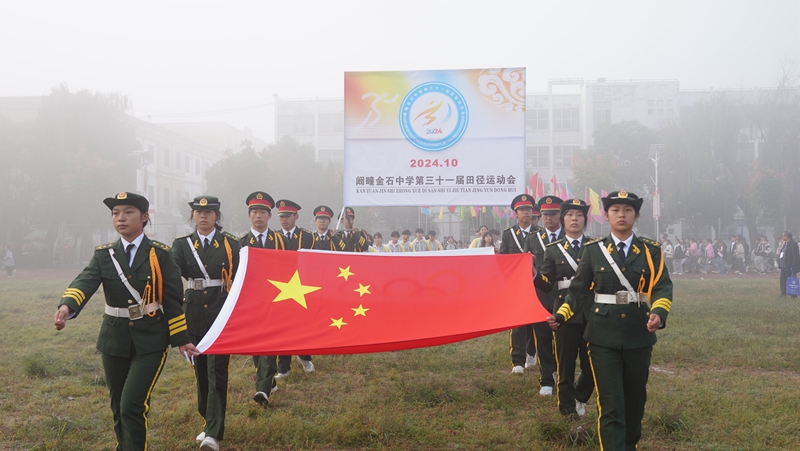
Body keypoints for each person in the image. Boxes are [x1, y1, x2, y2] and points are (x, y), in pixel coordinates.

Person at [53, 192, 199, 451]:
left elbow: (174, 300)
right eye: (115, 213)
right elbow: (85, 280)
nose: (120, 218)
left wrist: (181, 340)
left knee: (132, 404)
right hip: (114, 339)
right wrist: (68, 305)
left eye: (128, 212)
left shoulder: (160, 254)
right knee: (118, 405)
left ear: (144, 218)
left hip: (151, 340)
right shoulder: (104, 254)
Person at [547, 190, 673, 451]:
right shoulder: (595, 251)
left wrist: (658, 314)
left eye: (627, 210)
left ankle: (629, 445)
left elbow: (662, 286)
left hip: (639, 334)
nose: (622, 215)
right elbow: (578, 291)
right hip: (602, 336)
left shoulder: (650, 250)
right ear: (606, 216)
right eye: (615, 210)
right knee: (611, 403)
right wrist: (561, 315)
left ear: (636, 215)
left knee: (635, 402)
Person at [172, 195, 241, 451]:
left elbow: (244, 275)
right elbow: (170, 275)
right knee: (200, 369)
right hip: (192, 312)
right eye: (199, 212)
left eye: (209, 212)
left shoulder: (230, 244)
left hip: (220, 309)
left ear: (217, 216)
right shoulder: (182, 245)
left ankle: (214, 432)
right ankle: (207, 419)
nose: (203, 216)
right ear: (193, 216)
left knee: (217, 370)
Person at [533, 198, 594, 417]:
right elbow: (547, 283)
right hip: (564, 313)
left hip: (591, 313)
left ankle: (580, 396)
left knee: (591, 367)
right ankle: (567, 410)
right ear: (563, 219)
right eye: (569, 215)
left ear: (585, 220)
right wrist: (533, 275)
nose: (574, 219)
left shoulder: (596, 247)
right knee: (565, 366)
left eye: (579, 215)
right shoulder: (554, 250)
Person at [237, 192, 280, 407]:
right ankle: (267, 378)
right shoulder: (241, 243)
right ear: (249, 215)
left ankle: (262, 388)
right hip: (250, 301)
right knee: (255, 344)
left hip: (275, 299)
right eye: (254, 212)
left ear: (269, 215)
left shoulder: (280, 241)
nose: (258, 216)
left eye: (262, 212)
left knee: (269, 343)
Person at [522, 195, 563, 396]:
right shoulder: (532, 238)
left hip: (565, 296)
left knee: (565, 340)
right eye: (545, 214)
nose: (548, 218)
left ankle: (562, 372)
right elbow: (525, 268)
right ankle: (547, 377)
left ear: (560, 215)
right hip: (540, 295)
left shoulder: (571, 236)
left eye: (553, 214)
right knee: (543, 338)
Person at [274, 199, 316, 378]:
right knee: (283, 325)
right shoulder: (273, 237)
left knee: (303, 324)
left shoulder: (308, 237)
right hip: (281, 287)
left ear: (296, 216)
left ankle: (304, 356)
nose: (284, 220)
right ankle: (284, 367)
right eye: (281, 216)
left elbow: (316, 261)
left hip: (303, 286)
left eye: (288, 216)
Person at [500, 194, 540, 374]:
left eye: (529, 209)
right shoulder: (509, 234)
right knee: (517, 323)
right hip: (516, 285)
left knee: (535, 321)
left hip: (537, 284)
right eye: (522, 210)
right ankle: (517, 360)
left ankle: (531, 353)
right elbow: (503, 260)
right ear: (515, 213)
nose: (526, 213)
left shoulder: (540, 233)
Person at [778, 231, 799, 298]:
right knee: (782, 280)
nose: (782, 237)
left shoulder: (793, 244)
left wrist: (794, 266)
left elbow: (795, 256)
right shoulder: (785, 244)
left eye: (783, 235)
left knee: (791, 280)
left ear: (787, 236)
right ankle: (783, 293)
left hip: (789, 266)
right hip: (783, 266)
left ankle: (793, 295)